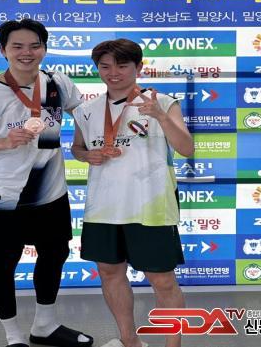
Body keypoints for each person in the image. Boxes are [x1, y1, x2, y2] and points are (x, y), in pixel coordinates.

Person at [0, 19, 93, 347]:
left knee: (54, 254)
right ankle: (13, 335)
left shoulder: (57, 83)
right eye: (17, 46)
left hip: (51, 192)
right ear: (3, 50)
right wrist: (4, 142)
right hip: (2, 196)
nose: (27, 53)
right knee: (3, 264)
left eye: (34, 45)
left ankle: (45, 325)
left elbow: (84, 115)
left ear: (44, 48)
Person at [71, 39, 194, 347]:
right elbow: (77, 148)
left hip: (150, 207)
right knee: (109, 272)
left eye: (122, 66)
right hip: (103, 207)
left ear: (139, 67)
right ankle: (130, 341)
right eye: (105, 66)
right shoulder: (86, 110)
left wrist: (160, 117)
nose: (113, 73)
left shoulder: (162, 102)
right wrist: (86, 156)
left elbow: (187, 148)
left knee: (162, 280)